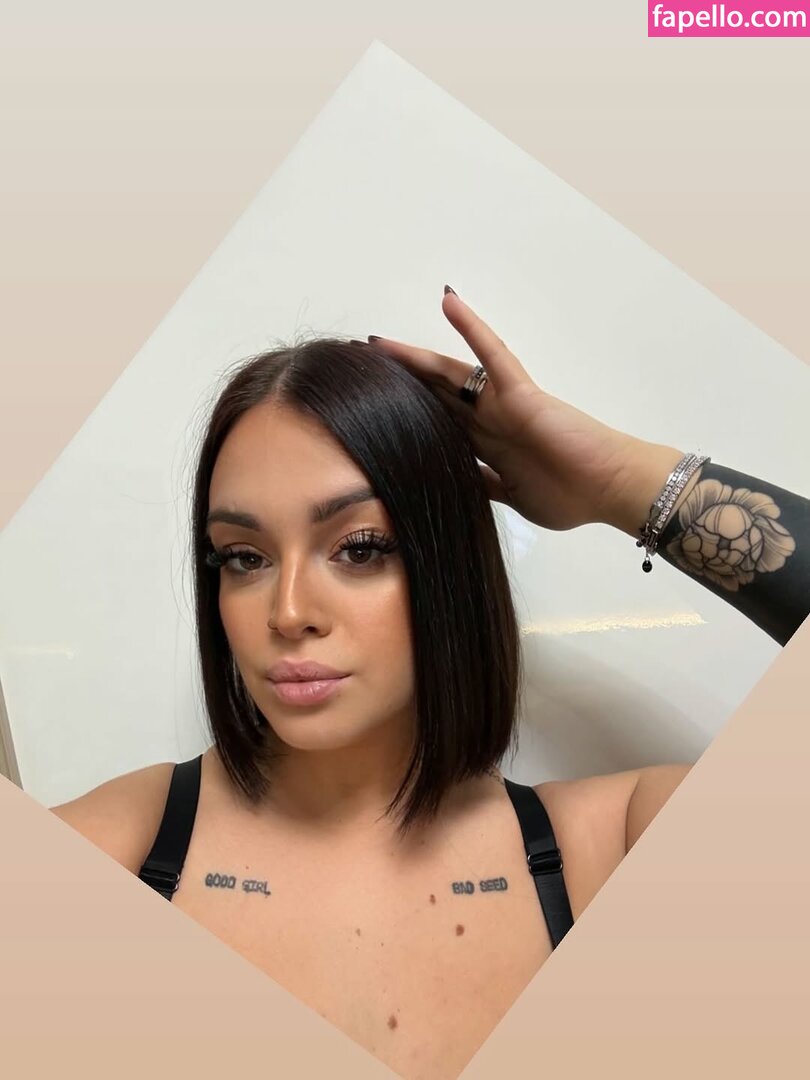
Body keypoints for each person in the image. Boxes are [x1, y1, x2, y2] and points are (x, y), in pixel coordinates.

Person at [50, 287, 809, 1080]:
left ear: (449, 562)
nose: (289, 612)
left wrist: (621, 482)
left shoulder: (610, 851)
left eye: (360, 547)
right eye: (244, 557)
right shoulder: (120, 850)